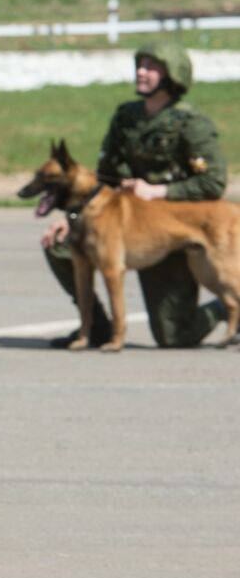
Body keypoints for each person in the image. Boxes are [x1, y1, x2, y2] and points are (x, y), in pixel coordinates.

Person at [40, 41, 228, 348]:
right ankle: (97, 326)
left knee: (174, 336)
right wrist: (73, 218)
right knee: (60, 244)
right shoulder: (126, 117)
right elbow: (104, 178)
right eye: (140, 65)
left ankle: (224, 308)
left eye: (152, 67)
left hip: (168, 232)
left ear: (172, 76)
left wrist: (158, 191)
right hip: (121, 224)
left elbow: (213, 183)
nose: (141, 72)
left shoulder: (191, 124)